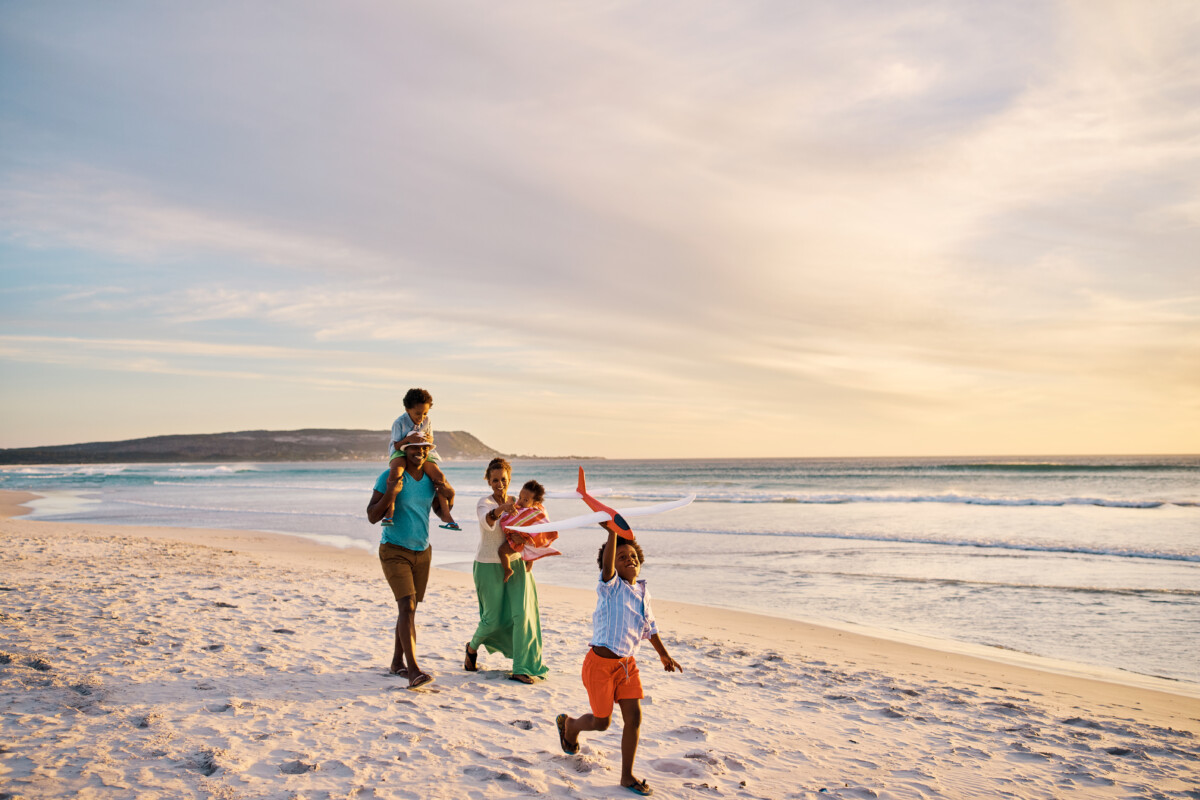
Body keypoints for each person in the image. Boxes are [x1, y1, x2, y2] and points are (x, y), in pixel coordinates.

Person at [555, 525, 682, 796]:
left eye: (633, 555)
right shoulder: (611, 587)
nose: (629, 559)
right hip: (599, 666)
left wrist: (663, 653)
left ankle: (627, 776)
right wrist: (613, 533)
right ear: (611, 564)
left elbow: (650, 627)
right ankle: (571, 725)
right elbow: (608, 567)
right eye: (621, 556)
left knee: (634, 718)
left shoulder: (643, 593)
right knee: (602, 722)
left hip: (627, 666)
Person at [366, 439, 454, 689]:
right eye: (415, 447)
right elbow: (372, 516)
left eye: (425, 448)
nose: (421, 452)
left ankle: (397, 662)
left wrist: (449, 494)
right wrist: (391, 495)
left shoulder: (430, 479)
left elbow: (438, 509)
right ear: (404, 450)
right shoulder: (389, 476)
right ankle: (413, 670)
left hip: (422, 551)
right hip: (394, 550)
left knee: (410, 608)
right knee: (407, 606)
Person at [464, 458, 550, 684]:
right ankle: (471, 649)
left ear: (509, 479)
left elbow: (536, 520)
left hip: (517, 563)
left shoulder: (519, 501)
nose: (499, 483)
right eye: (495, 480)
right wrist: (501, 509)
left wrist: (529, 544)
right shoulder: (484, 502)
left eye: (503, 479)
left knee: (521, 616)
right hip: (487, 565)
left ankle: (521, 668)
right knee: (491, 620)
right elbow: (488, 520)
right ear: (488, 480)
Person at [384, 388, 457, 529]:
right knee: (395, 475)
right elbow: (397, 445)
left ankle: (447, 516)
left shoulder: (427, 420)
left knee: (439, 478)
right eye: (418, 414)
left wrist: (428, 438)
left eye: (425, 413)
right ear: (407, 409)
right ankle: (389, 512)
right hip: (400, 451)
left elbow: (431, 437)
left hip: (422, 450)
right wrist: (408, 439)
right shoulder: (399, 422)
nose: (421, 418)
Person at [497, 479, 560, 583]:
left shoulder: (536, 513)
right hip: (517, 538)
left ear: (535, 502)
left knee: (502, 551)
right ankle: (529, 561)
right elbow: (515, 519)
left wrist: (525, 539)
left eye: (525, 500)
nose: (520, 501)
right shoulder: (520, 507)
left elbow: (542, 530)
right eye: (520, 497)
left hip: (525, 541)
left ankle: (507, 569)